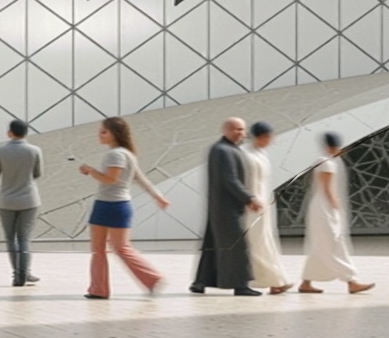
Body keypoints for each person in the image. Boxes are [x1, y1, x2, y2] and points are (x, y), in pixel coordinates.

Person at [79, 114, 169, 295]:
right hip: (120, 205)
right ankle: (149, 279)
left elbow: (110, 179)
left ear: (115, 133)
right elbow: (140, 179)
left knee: (104, 249)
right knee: (116, 248)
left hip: (108, 205)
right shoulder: (128, 154)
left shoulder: (115, 154)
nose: (100, 135)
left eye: (104, 132)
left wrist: (90, 171)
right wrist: (157, 196)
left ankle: (101, 288)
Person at [296, 131, 373, 294]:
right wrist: (335, 205)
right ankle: (351, 280)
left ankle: (306, 283)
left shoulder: (325, 161)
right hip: (325, 209)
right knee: (333, 243)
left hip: (319, 207)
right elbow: (327, 188)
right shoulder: (328, 163)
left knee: (321, 245)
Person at [190, 118, 257, 295]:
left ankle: (201, 282)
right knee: (236, 246)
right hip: (227, 208)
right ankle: (240, 285)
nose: (241, 133)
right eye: (237, 129)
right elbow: (229, 179)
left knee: (213, 246)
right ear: (225, 130)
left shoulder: (226, 149)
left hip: (221, 207)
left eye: (242, 129)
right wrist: (248, 198)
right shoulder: (222, 150)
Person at [0, 119, 44, 286]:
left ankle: (16, 275)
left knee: (10, 239)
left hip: (6, 200)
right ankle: (25, 273)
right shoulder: (35, 150)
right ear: (26, 133)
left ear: (9, 133)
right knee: (24, 238)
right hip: (29, 199)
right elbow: (38, 174)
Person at [242, 122, 296, 294]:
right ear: (259, 137)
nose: (271, 140)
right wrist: (248, 199)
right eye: (268, 137)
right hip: (250, 206)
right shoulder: (245, 154)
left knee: (266, 241)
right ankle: (271, 281)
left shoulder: (262, 154)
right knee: (256, 243)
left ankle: (276, 281)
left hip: (263, 204)